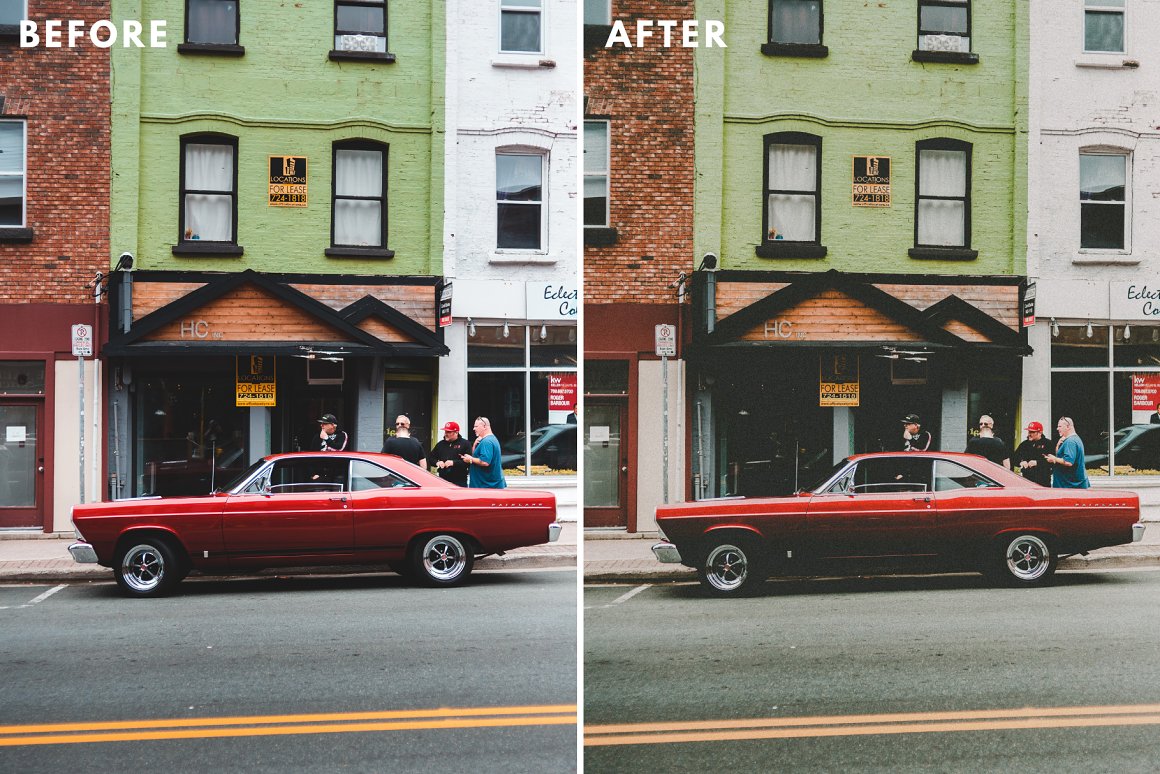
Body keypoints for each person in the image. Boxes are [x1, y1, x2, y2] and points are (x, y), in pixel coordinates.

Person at [1045, 416, 1090, 488]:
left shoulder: (1070, 442)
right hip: (1068, 485)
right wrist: (1057, 446)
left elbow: (1068, 462)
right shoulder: (1072, 439)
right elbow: (1062, 458)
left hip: (1070, 486)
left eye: (1060, 426)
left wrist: (1054, 458)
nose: (1057, 429)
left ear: (1068, 427)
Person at [463, 416, 506, 489]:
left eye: (476, 426)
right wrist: (474, 446)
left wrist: (470, 459)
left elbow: (485, 462)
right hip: (486, 486)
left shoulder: (487, 442)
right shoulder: (489, 439)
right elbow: (478, 457)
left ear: (484, 427)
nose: (474, 429)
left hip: (487, 487)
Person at [427, 421, 471, 486]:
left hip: (459, 481)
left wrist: (453, 463)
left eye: (449, 432)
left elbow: (468, 462)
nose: (446, 434)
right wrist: (437, 463)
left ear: (456, 432)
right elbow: (430, 458)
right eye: (445, 432)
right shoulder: (440, 444)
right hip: (443, 480)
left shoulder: (465, 444)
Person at [1013, 420, 1053, 486]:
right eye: (1029, 431)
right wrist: (1021, 462)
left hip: (1043, 481)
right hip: (1027, 480)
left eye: (1032, 432)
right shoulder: (1024, 444)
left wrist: (1037, 463)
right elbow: (1014, 458)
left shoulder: (1048, 444)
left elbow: (1052, 462)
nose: (1029, 434)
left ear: (1040, 432)